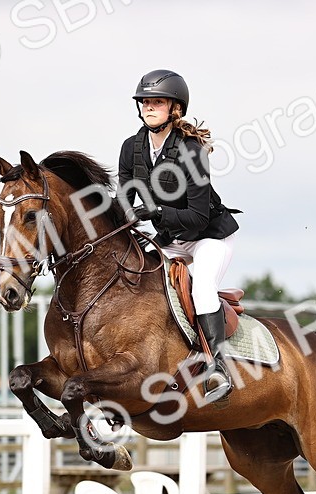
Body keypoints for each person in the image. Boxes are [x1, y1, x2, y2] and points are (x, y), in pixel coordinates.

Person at [117, 69, 240, 403]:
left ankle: (218, 367)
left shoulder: (191, 150)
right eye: (145, 102)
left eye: (157, 102)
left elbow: (198, 218)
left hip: (208, 236)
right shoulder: (132, 148)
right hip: (171, 239)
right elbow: (123, 205)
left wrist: (157, 214)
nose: (148, 107)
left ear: (175, 109)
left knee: (201, 286)